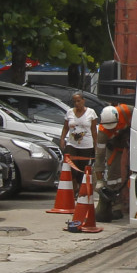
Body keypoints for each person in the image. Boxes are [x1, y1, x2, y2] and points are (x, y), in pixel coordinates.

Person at [60, 92, 96, 220]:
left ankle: (81, 194)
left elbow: (93, 130)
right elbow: (65, 127)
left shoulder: (91, 112)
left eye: (79, 101)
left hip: (86, 145)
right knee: (71, 169)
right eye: (75, 101)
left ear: (83, 100)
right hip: (72, 144)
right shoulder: (70, 112)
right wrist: (62, 139)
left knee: (82, 170)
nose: (77, 103)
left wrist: (95, 146)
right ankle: (73, 192)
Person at [93, 104, 132, 224]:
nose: (110, 128)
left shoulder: (127, 111)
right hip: (114, 144)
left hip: (132, 137)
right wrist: (99, 181)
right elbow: (99, 156)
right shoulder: (102, 132)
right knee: (113, 175)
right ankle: (116, 207)